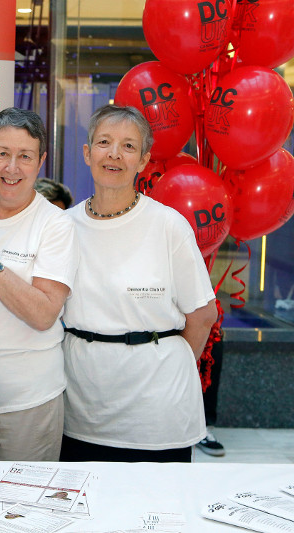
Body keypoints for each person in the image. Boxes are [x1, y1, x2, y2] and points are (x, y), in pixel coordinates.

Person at [61, 104, 217, 462]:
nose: (114, 154)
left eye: (129, 146)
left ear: (144, 160)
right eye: (104, 142)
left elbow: (203, 314)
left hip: (156, 412)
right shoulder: (63, 227)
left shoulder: (168, 225)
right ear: (87, 153)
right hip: (81, 408)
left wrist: (161, 362)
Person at [0, 108, 78, 462]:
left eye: (25, 156)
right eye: (2, 154)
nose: (11, 167)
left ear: (41, 162)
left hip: (26, 406)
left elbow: (43, 314)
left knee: (20, 498)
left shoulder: (55, 225)